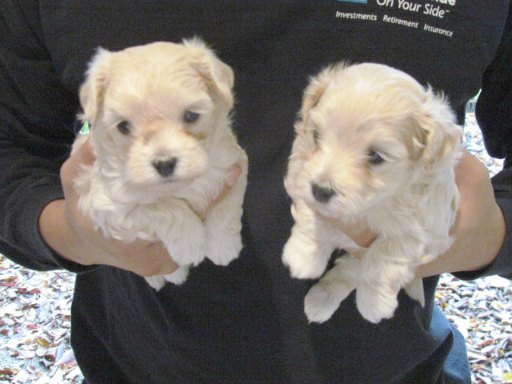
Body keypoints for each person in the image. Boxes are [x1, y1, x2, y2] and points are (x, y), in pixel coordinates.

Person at [0, 1, 510, 383]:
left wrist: (489, 235)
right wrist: (67, 230)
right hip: (135, 365)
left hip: (404, 369)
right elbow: (12, 151)